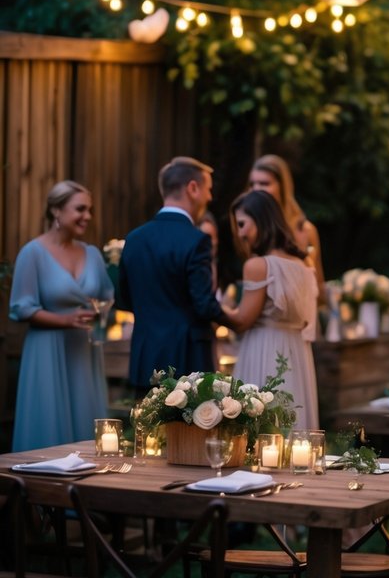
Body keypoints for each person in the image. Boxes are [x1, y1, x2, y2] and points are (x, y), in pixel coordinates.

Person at [10, 179, 113, 450]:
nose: (87, 216)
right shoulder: (32, 254)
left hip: (83, 351)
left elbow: (107, 297)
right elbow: (21, 307)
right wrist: (64, 320)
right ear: (57, 210)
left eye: (89, 210)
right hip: (47, 350)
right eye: (80, 209)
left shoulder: (92, 254)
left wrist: (101, 312)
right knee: (48, 423)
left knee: (85, 426)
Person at [118, 156, 231, 389]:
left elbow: (124, 299)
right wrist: (236, 319)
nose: (210, 197)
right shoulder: (196, 240)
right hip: (187, 357)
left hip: (145, 354)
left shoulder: (134, 238)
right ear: (193, 188)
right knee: (189, 427)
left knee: (147, 425)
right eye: (208, 190)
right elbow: (203, 304)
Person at [227, 189, 319, 429]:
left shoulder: (258, 266)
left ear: (261, 219)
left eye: (243, 224)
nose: (240, 233)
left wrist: (212, 307)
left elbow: (243, 320)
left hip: (264, 349)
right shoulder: (303, 263)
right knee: (291, 421)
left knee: (260, 422)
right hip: (296, 352)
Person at [249, 154, 326, 297]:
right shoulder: (248, 228)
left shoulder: (303, 230)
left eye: (264, 184)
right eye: (252, 184)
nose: (256, 190)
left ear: (282, 187)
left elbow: (319, 287)